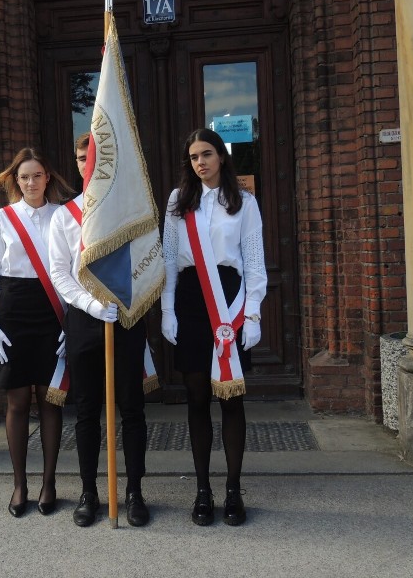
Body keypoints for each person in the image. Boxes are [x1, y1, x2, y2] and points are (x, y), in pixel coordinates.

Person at [161, 127, 267, 526]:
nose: (200, 162)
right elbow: (170, 259)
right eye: (193, 157)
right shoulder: (178, 201)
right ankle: (203, 490)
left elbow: (254, 260)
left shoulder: (244, 202)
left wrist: (253, 312)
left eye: (207, 154)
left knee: (232, 399)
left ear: (221, 156)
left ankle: (234, 491)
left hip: (229, 300)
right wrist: (167, 310)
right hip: (189, 298)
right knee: (196, 397)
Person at [48, 132, 150, 528]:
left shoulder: (130, 213)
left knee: (132, 409)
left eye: (93, 157)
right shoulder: (64, 215)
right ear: (76, 163)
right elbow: (59, 271)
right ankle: (90, 492)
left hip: (125, 316)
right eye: (79, 157)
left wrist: (125, 302)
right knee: (87, 411)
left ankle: (135, 491)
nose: (85, 163)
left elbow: (147, 262)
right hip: (84, 319)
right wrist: (92, 304)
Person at [0, 147, 74, 518]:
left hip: (53, 308)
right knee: (18, 401)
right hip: (14, 306)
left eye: (37, 176)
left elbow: (72, 267)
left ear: (47, 177)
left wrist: (71, 320)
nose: (31, 183)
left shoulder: (64, 216)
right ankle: (20, 483)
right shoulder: (2, 218)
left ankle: (49, 482)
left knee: (50, 399)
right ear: (15, 182)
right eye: (24, 177)